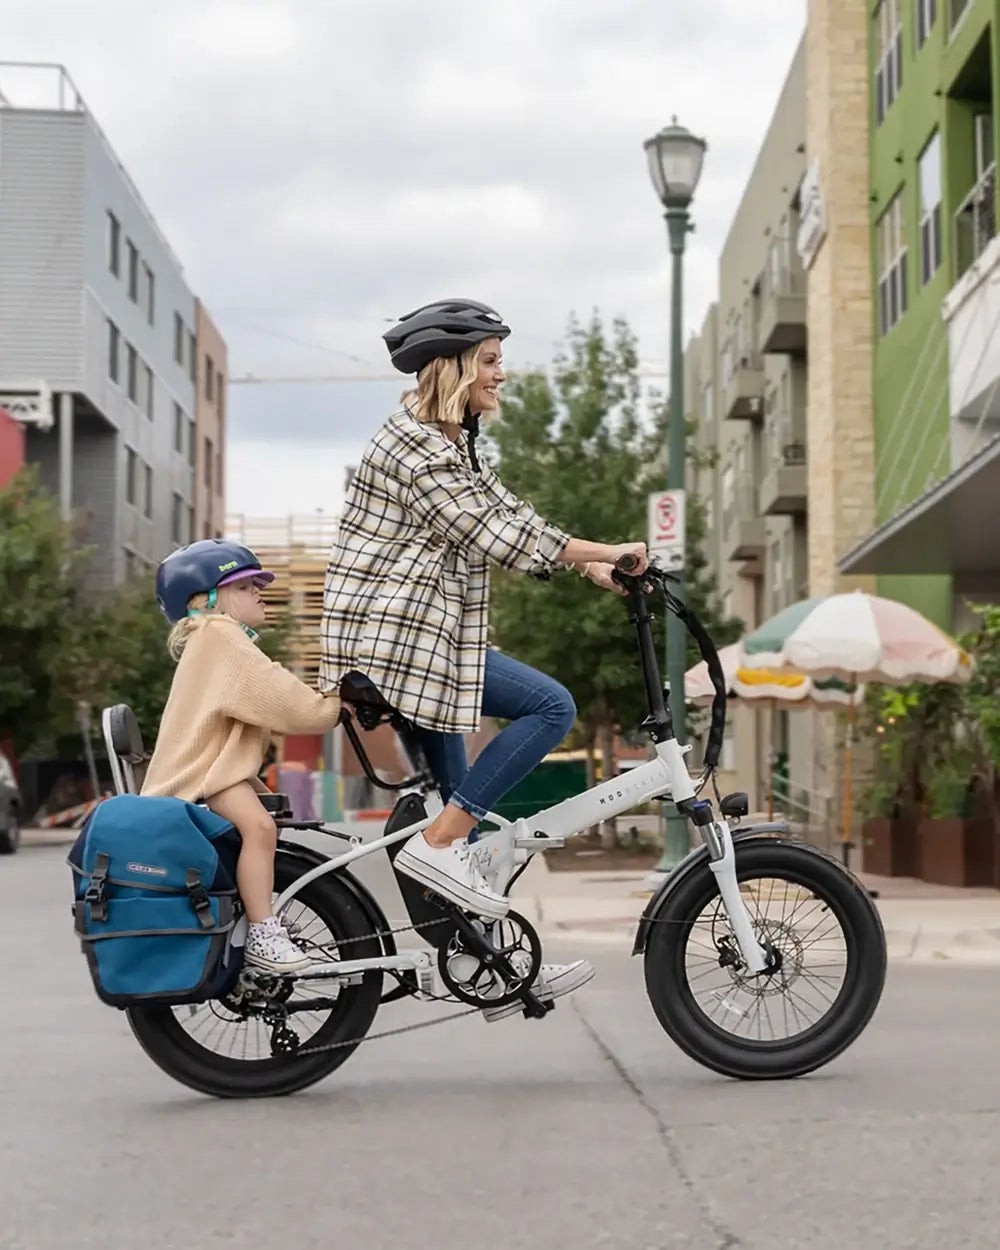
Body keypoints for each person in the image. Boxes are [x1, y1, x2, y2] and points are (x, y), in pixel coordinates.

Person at [320, 298, 648, 1021]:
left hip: (425, 640)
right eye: (491, 361)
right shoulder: (417, 449)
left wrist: (590, 565)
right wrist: (608, 548)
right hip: (398, 642)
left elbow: (509, 513)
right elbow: (492, 534)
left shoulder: (451, 444)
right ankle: (439, 846)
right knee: (550, 707)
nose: (502, 374)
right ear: (455, 367)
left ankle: (488, 968)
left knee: (460, 829)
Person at [141, 539, 343, 973]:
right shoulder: (221, 635)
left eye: (257, 585)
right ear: (209, 599)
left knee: (263, 827)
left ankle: (258, 917)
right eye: (245, 586)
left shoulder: (212, 639)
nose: (259, 592)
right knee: (260, 828)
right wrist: (333, 702)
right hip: (201, 777)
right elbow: (285, 699)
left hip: (207, 772)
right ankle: (263, 932)